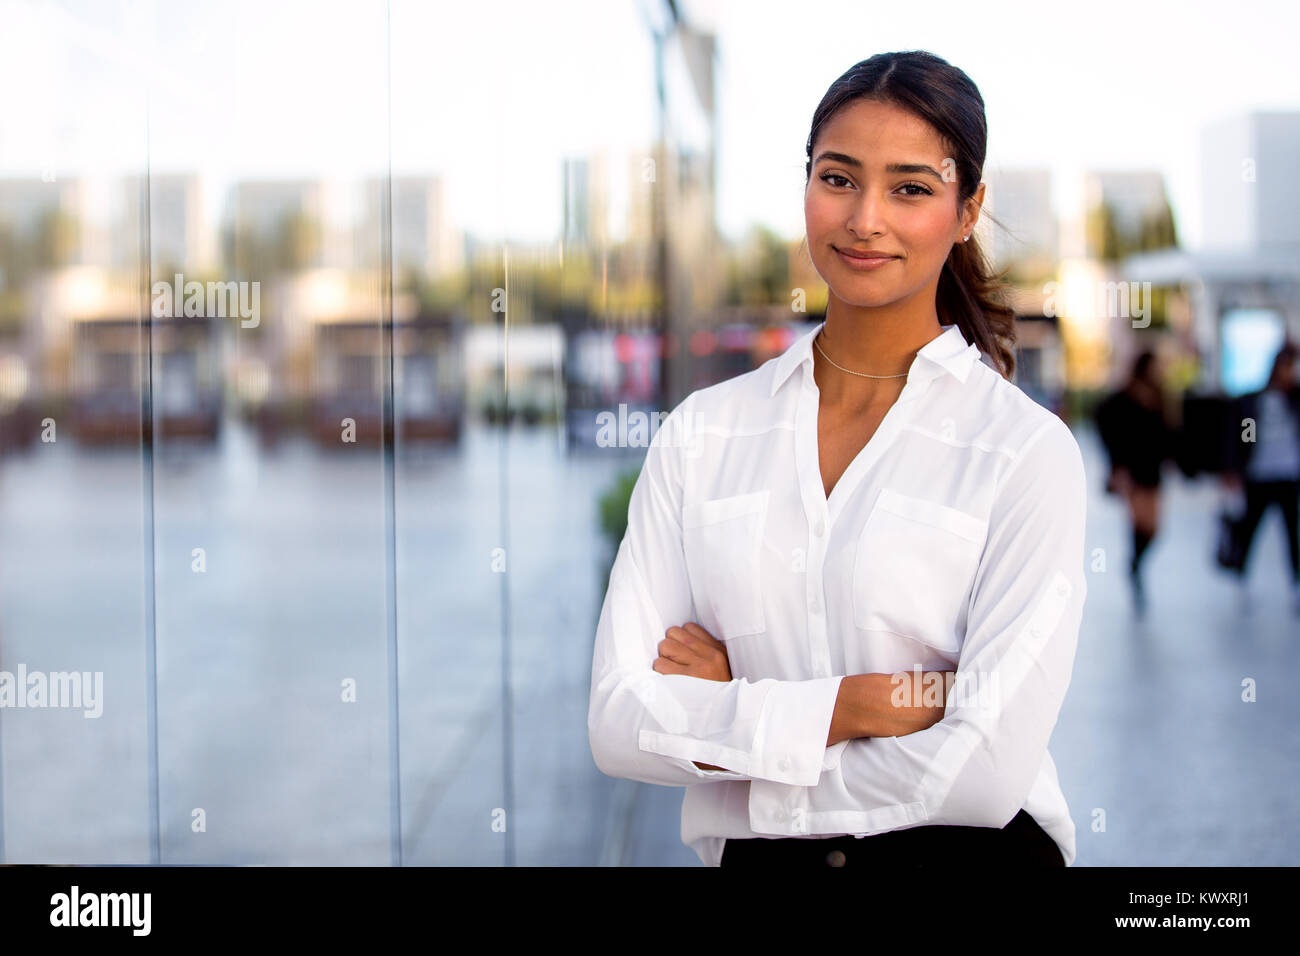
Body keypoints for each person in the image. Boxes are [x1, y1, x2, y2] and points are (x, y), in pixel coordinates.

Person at [588, 51, 1087, 869]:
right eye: (839, 178)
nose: (865, 220)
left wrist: (737, 725)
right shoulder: (702, 436)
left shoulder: (1023, 454)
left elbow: (985, 775)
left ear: (968, 210)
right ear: (807, 185)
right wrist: (854, 707)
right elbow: (618, 719)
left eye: (912, 189)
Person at [1094, 350, 1175, 615]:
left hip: (1153, 470)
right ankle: (1135, 571)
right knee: (1138, 522)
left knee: (1154, 528)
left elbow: (1168, 433)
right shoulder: (1124, 397)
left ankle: (1135, 564)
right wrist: (1116, 465)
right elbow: (1103, 418)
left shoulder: (1160, 396)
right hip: (1132, 471)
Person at [1221, 342, 1300, 614]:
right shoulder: (1255, 401)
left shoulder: (1294, 400)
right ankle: (1241, 577)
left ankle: (1295, 585)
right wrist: (1235, 468)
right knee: (1250, 529)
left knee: (1292, 534)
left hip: (1288, 475)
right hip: (1260, 475)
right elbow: (1243, 437)